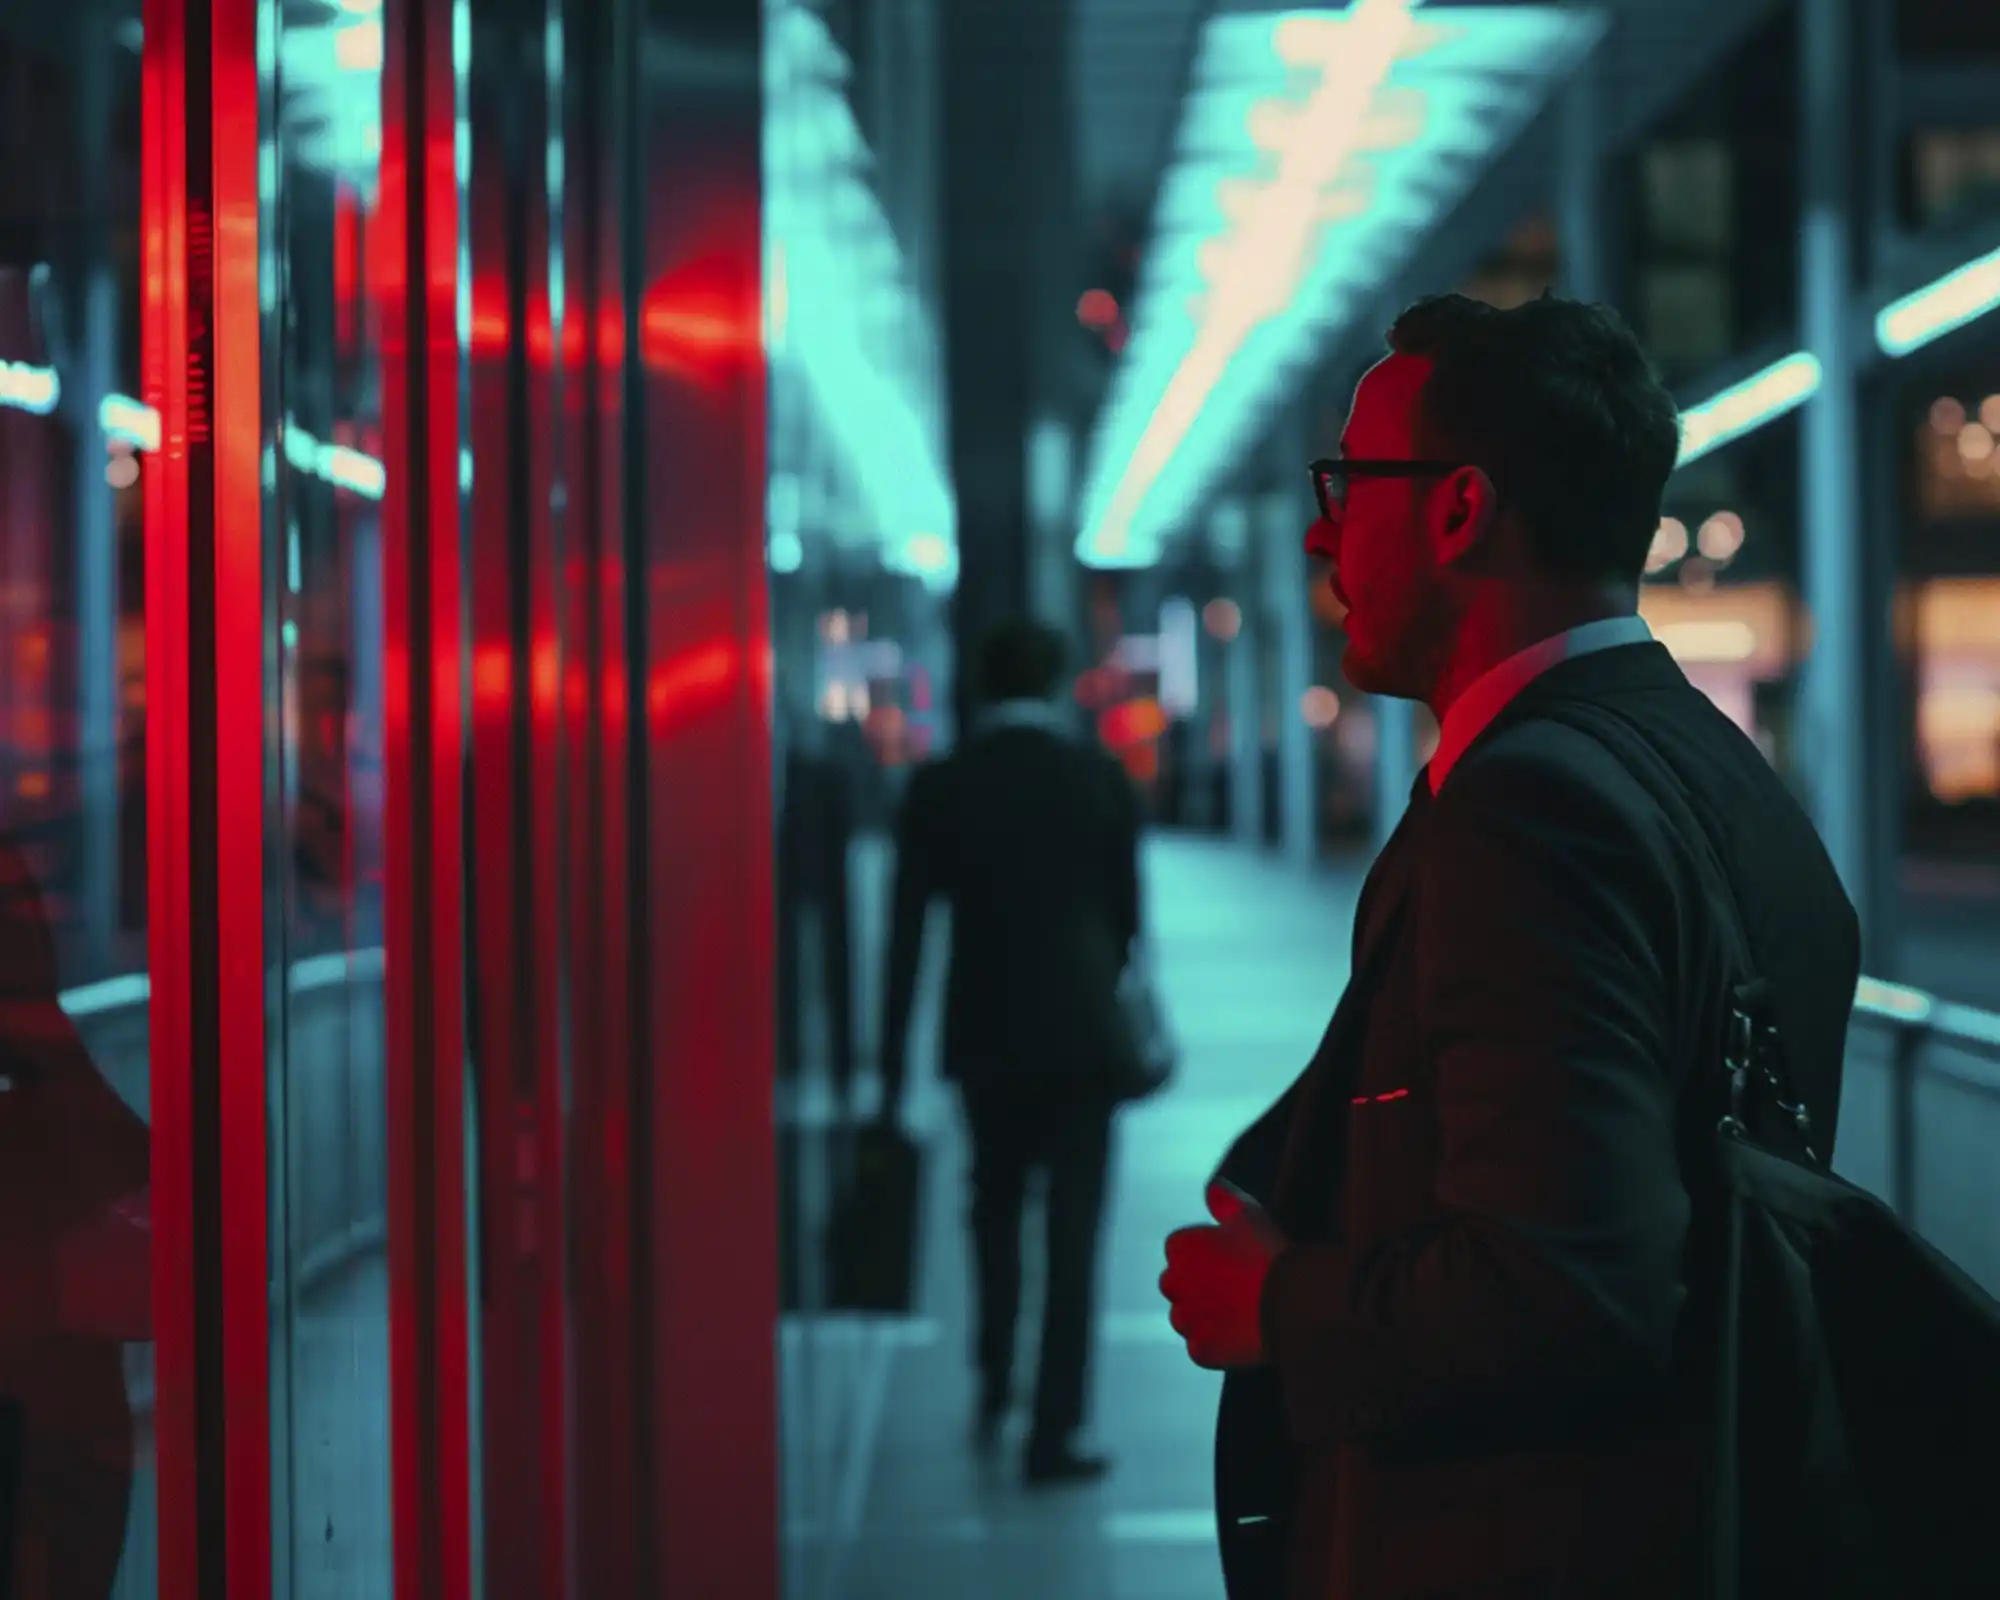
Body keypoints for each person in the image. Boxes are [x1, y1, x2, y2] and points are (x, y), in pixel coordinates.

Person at [1158, 293, 1860, 1598]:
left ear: (1459, 509)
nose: (1323, 530)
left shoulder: (1530, 814)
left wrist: (1279, 1307)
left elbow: (1570, 1287)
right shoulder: (1717, 773)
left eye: (1348, 481)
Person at [879, 617, 1144, 1486]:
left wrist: (888, 1070)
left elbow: (909, 932)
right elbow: (1129, 921)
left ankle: (994, 1376)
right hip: (1083, 1038)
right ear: (1061, 678)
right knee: (1075, 1231)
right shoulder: (1097, 777)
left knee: (991, 1207)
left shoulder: (944, 785)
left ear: (984, 684)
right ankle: (1055, 1429)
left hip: (985, 1036)